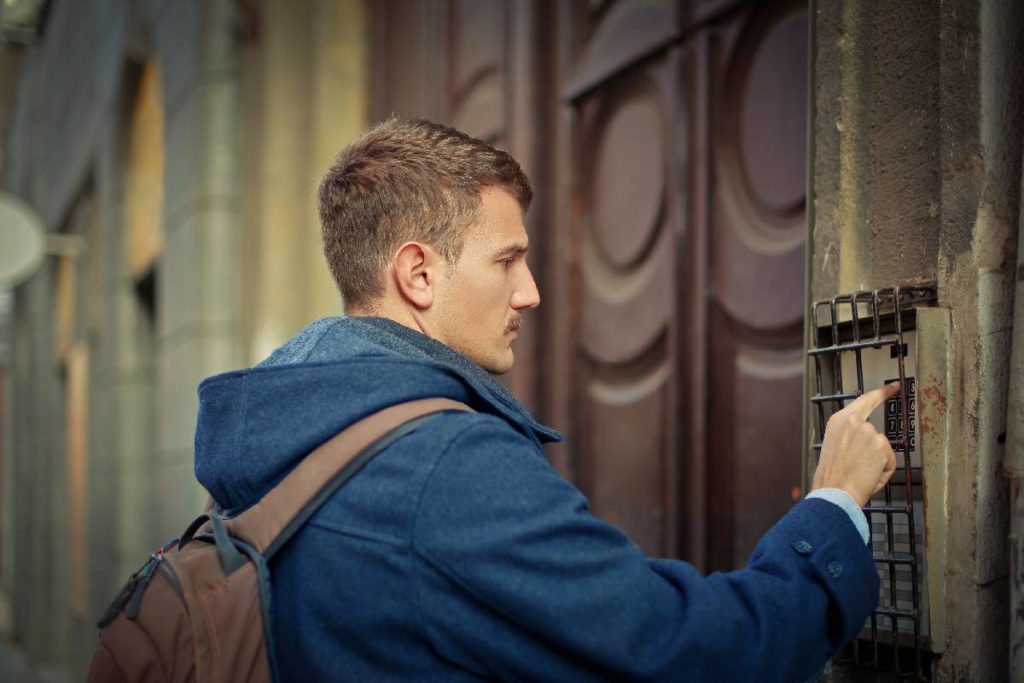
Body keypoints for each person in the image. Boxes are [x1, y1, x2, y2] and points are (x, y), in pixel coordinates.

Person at [193, 118, 897, 681]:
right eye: (506, 259)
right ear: (418, 273)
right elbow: (689, 654)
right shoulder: (445, 467)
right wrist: (831, 511)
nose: (529, 291)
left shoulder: (289, 432)